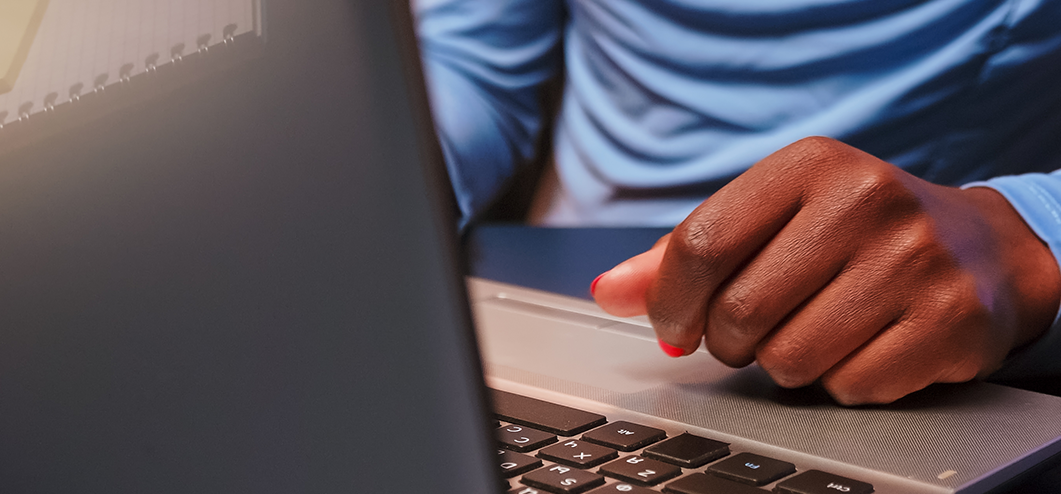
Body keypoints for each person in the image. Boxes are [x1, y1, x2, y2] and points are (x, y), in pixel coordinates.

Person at [415, 0, 1061, 404]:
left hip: (901, 331)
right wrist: (381, 178)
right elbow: (470, 58)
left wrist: (1033, 233)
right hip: (551, 298)